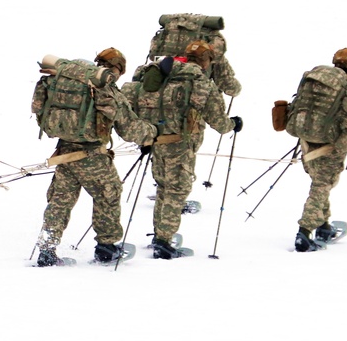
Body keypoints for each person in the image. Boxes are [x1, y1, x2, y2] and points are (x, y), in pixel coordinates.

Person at [32, 49, 157, 266]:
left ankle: (47, 248)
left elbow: (38, 109)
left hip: (64, 152)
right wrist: (153, 132)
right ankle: (107, 247)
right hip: (92, 156)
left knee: (60, 200)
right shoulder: (104, 89)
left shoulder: (67, 82)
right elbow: (129, 129)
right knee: (108, 193)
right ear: (117, 68)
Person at [121, 41, 242, 259]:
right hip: (181, 144)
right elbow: (220, 123)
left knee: (163, 188)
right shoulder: (201, 82)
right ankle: (164, 243)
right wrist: (234, 124)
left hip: (155, 140)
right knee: (176, 191)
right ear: (206, 61)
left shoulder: (161, 75)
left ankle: (160, 234)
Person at [289, 49, 347, 252]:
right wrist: (345, 145)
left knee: (319, 183)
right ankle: (304, 233)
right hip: (330, 146)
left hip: (307, 142)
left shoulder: (316, 78)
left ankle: (323, 227)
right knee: (321, 186)